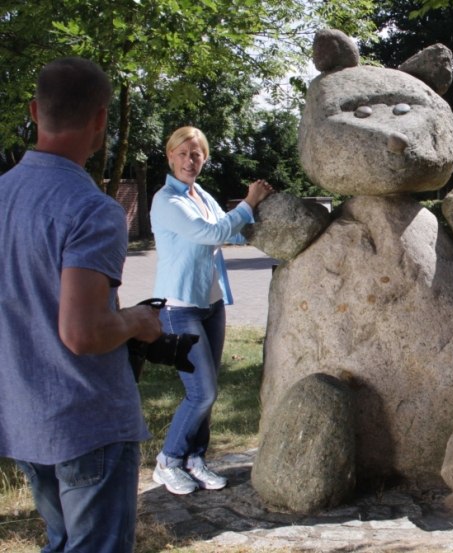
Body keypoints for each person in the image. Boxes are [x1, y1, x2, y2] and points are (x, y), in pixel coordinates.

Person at [0, 57, 162, 551]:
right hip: (86, 422)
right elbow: (84, 333)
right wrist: (137, 320)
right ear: (100, 119)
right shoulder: (91, 208)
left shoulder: (3, 194)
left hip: (23, 416)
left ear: (33, 111)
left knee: (61, 541)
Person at [150, 126, 273, 494]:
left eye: (197, 154)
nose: (190, 161)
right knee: (201, 392)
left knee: (209, 389)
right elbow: (210, 233)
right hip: (179, 308)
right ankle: (168, 460)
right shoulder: (165, 201)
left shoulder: (200, 194)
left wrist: (262, 225)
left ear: (205, 158)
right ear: (170, 156)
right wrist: (248, 204)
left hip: (211, 304)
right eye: (184, 153)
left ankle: (194, 459)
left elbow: (230, 232)